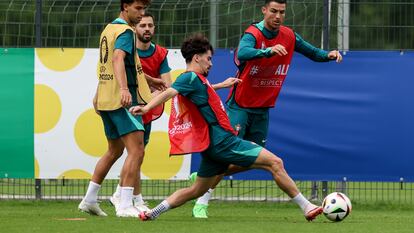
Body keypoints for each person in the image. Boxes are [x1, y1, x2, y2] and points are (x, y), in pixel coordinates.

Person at [129, 33, 323, 222]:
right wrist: (146, 107)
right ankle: (307, 206)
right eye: (208, 58)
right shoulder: (188, 78)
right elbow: (169, 92)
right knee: (276, 163)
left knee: (196, 190)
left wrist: (222, 84)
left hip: (212, 146)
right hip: (223, 141)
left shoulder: (196, 80)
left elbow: (202, 91)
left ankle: (153, 212)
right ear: (197, 58)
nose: (211, 63)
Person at [191, 0, 343, 218]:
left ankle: (203, 175)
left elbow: (312, 52)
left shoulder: (289, 36)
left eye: (282, 12)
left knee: (253, 162)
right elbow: (242, 53)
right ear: (264, 11)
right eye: (273, 11)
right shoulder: (253, 33)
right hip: (240, 107)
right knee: (228, 157)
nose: (278, 16)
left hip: (262, 110)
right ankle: (202, 201)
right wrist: (268, 52)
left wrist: (327, 55)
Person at [78, 0, 155, 218]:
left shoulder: (109, 29)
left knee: (114, 150)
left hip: (105, 98)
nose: (142, 14)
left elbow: (108, 64)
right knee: (137, 149)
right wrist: (124, 89)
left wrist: (149, 79)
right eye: (138, 9)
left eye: (143, 9)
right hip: (122, 100)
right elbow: (117, 58)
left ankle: (89, 199)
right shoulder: (125, 31)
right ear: (125, 7)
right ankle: (124, 204)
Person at [109, 12, 172, 212]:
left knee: (137, 154)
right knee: (133, 153)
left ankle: (126, 195)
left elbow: (168, 86)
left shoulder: (160, 53)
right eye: (143, 25)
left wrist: (147, 103)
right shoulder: (125, 48)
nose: (147, 29)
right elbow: (112, 72)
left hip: (145, 109)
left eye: (150, 25)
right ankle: (128, 198)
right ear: (135, 28)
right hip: (126, 106)